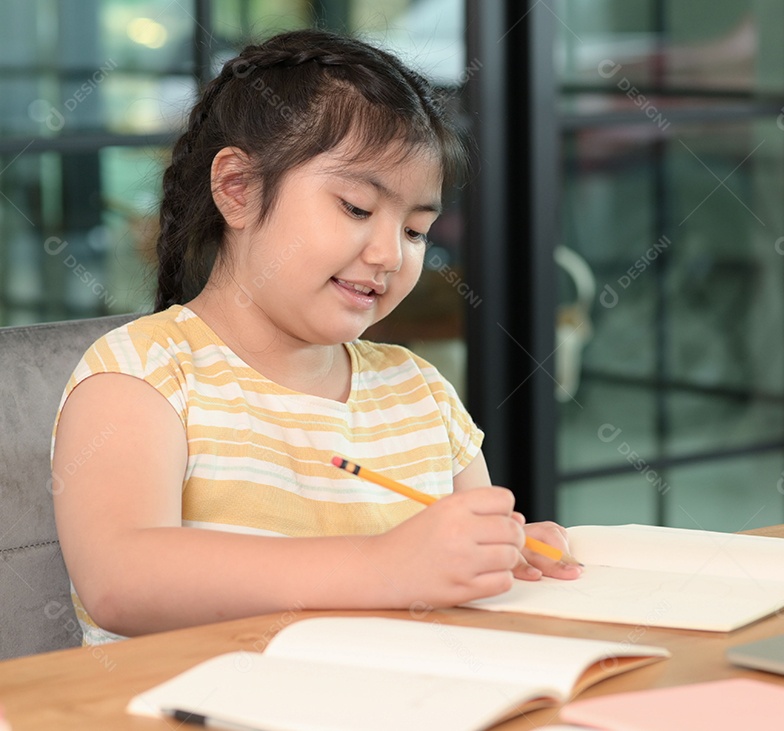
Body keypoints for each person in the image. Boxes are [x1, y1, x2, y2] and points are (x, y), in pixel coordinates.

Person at [51, 29, 581, 645]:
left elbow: (455, 570)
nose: (388, 254)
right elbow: (123, 581)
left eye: (415, 231)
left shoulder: (421, 393)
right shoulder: (143, 375)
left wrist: (502, 553)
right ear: (238, 190)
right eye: (356, 208)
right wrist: (382, 567)